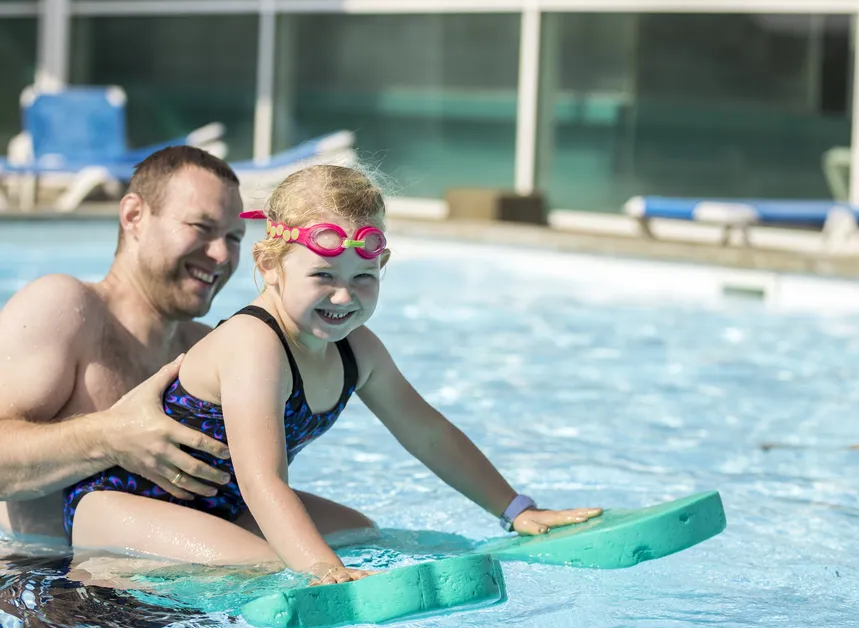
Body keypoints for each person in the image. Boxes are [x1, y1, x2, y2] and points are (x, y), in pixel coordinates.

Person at [64, 164, 602, 585]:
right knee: (275, 569)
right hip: (126, 507)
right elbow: (262, 478)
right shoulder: (255, 344)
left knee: (365, 537)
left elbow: (428, 432)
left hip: (222, 506)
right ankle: (116, 581)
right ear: (270, 265)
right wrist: (323, 573)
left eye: (364, 277)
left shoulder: (356, 350)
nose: (344, 296)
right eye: (323, 274)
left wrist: (516, 510)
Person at [0, 146, 246, 543]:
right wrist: (107, 438)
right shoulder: (65, 308)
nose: (221, 255)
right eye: (201, 227)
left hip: (166, 589)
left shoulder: (205, 350)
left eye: (233, 237)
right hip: (44, 585)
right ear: (134, 216)